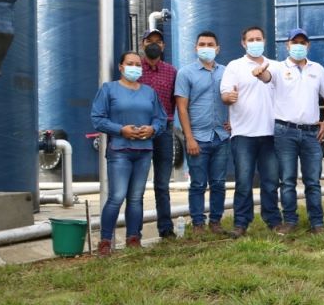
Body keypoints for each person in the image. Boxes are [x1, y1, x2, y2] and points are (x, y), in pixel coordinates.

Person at [90, 51, 167, 255]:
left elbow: (161, 119)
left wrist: (152, 129)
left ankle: (134, 238)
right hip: (120, 151)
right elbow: (98, 118)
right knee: (117, 196)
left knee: (136, 198)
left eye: (137, 64)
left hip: (144, 151)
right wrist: (120, 130)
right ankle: (105, 241)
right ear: (121, 67)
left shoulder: (149, 92)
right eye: (130, 63)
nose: (135, 67)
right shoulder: (109, 89)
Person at [258, 28, 324, 234]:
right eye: (295, 42)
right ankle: (290, 221)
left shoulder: (317, 69)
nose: (299, 46)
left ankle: (317, 223)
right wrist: (259, 72)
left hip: (311, 133)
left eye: (302, 42)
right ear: (287, 45)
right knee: (288, 180)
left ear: (307, 45)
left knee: (313, 181)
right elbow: (266, 77)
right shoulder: (278, 68)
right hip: (285, 132)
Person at [220, 26, 282, 237]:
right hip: (243, 134)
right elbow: (225, 94)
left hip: (271, 133)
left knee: (271, 181)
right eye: (251, 39)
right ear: (243, 43)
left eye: (259, 39)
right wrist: (229, 98)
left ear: (264, 41)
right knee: (244, 182)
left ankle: (273, 220)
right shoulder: (234, 66)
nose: (255, 42)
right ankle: (241, 223)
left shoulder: (275, 66)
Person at [175, 31, 233, 239]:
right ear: (195, 48)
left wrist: (232, 123)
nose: (206, 47)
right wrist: (188, 138)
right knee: (198, 183)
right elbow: (182, 108)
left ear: (217, 49)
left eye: (210, 44)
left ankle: (215, 222)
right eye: (202, 44)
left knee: (218, 183)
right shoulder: (186, 73)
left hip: (221, 137)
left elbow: (235, 99)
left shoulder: (226, 72)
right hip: (198, 137)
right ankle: (198, 222)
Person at [139, 28, 178, 239]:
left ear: (163, 46)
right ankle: (134, 231)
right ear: (142, 44)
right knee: (137, 184)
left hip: (164, 132)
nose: (154, 44)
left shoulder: (171, 72)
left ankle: (166, 229)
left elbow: (175, 103)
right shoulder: (135, 68)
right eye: (149, 41)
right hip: (139, 132)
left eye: (158, 41)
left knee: (162, 184)